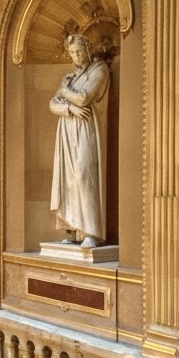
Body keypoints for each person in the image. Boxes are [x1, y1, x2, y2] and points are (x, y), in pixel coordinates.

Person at [49, 34, 110, 247]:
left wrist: (66, 92)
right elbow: (52, 104)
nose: (76, 56)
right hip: (67, 133)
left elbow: (85, 97)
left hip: (86, 131)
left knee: (85, 176)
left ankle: (92, 232)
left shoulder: (100, 70)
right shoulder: (72, 77)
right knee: (68, 180)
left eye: (79, 51)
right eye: (72, 53)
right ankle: (76, 230)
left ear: (88, 49)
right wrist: (69, 107)